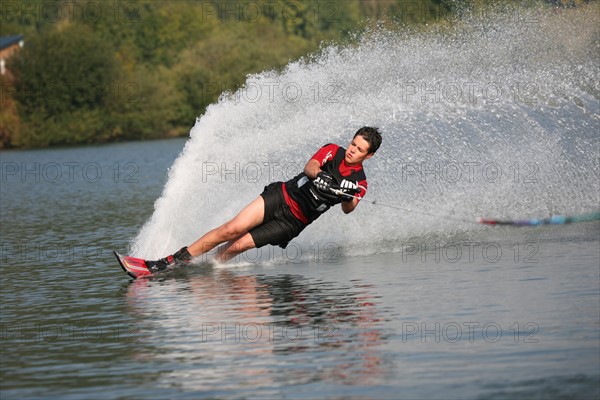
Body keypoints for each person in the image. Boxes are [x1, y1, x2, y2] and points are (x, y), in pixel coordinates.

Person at [140, 126, 382, 275]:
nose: (352, 150)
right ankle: (170, 262)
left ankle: (204, 271)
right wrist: (321, 175)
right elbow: (310, 166)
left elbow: (349, 209)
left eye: (359, 149)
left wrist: (344, 194)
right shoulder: (333, 151)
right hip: (281, 197)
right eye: (353, 143)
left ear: (368, 156)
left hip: (293, 222)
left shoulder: (360, 183)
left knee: (238, 246)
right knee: (232, 229)